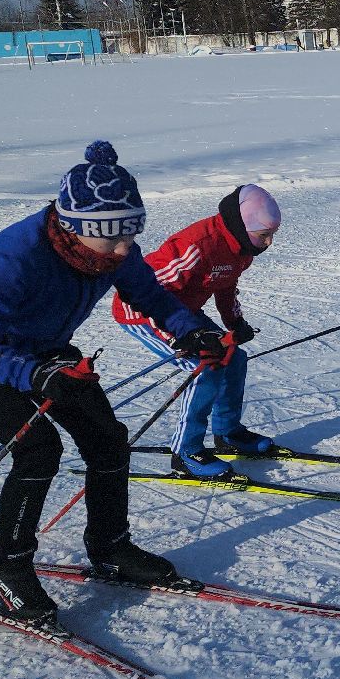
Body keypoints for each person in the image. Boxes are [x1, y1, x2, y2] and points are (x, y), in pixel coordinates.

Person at [0, 141, 228, 622]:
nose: (125, 248)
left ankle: (110, 547)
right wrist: (36, 374)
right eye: (112, 238)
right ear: (74, 228)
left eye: (132, 232)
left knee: (107, 438)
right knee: (38, 447)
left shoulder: (111, 250)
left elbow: (151, 295)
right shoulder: (14, 260)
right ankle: (8, 567)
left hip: (43, 345)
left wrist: (192, 330)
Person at [112, 183, 282, 480]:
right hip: (144, 311)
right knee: (204, 367)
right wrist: (187, 338)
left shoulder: (241, 248)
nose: (268, 243)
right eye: (264, 235)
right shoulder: (197, 245)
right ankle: (186, 451)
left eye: (271, 235)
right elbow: (150, 290)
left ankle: (227, 432)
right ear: (242, 225)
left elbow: (225, 285)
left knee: (233, 357)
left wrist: (235, 323)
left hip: (184, 311)